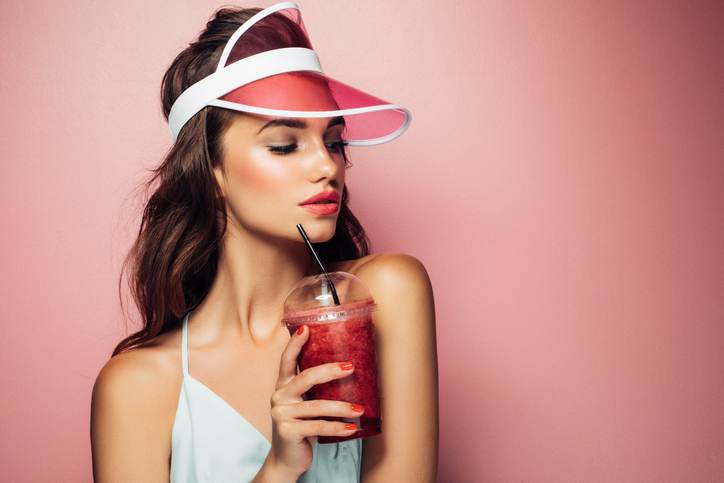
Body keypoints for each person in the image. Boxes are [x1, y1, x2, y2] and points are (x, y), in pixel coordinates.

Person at [90, 3, 438, 482]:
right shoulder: (137, 387)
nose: (326, 166)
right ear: (210, 173)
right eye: (283, 145)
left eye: (334, 142)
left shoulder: (379, 296)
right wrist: (277, 468)